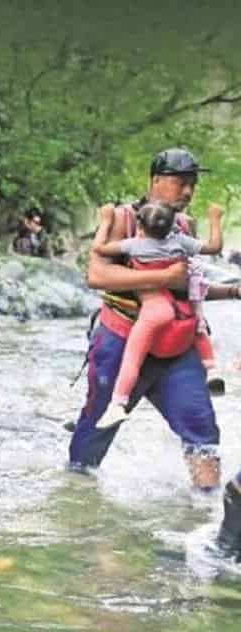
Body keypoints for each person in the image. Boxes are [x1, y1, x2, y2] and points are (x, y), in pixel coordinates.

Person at [69, 148, 241, 492]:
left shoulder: (185, 226)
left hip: (177, 344)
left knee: (202, 428)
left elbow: (190, 287)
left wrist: (232, 291)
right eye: (180, 182)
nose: (189, 191)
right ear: (155, 181)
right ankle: (77, 505)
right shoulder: (122, 219)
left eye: (192, 183)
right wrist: (163, 280)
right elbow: (97, 274)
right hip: (121, 338)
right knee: (95, 432)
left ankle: (206, 514)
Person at [93, 201, 224, 429]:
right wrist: (214, 218)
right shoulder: (180, 241)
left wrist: (105, 220)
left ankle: (117, 404)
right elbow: (213, 247)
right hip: (181, 308)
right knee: (199, 326)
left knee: (132, 358)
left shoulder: (136, 245)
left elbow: (100, 248)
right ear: (173, 225)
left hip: (154, 309)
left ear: (140, 228)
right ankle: (211, 368)